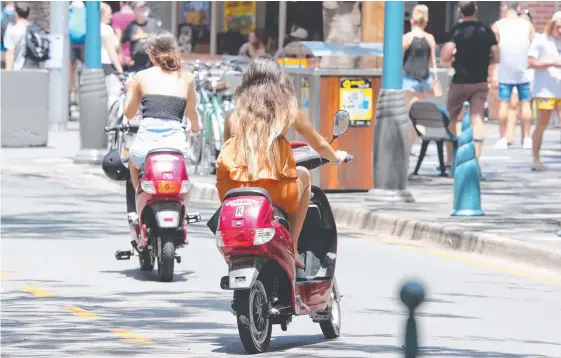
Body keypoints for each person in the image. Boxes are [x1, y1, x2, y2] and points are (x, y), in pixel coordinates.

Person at [215, 55, 348, 269]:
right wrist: (336, 157)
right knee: (304, 174)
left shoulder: (233, 116)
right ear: (280, 81)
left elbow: (228, 153)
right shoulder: (289, 112)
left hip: (234, 191)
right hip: (276, 192)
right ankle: (293, 246)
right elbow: (320, 145)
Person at [123, 30, 200, 211]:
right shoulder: (187, 77)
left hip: (147, 143)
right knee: (180, 175)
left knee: (133, 165)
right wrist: (194, 126)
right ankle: (184, 212)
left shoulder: (141, 77)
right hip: (176, 145)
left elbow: (129, 113)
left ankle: (139, 204)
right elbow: (191, 112)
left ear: (150, 52)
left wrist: (129, 89)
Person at [440, 1, 499, 169]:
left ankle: (450, 160)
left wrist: (451, 58)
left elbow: (445, 55)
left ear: (460, 11)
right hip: (480, 81)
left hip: (460, 81)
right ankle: (476, 158)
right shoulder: (486, 31)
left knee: (451, 117)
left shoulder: (456, 31)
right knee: (477, 117)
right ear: (476, 10)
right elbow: (496, 55)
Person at [491, 2, 535, 150]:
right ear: (517, 8)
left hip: (505, 68)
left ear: (504, 8)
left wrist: (496, 63)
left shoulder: (497, 25)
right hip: (523, 69)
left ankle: (503, 138)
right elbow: (533, 44)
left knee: (503, 103)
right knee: (525, 103)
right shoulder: (527, 25)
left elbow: (494, 48)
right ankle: (527, 138)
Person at [402, 4, 438, 154]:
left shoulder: (407, 38)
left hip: (409, 78)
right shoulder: (430, 38)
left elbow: (399, 57)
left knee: (408, 113)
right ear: (425, 21)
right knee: (418, 112)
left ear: (412, 20)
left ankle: (408, 146)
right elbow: (432, 61)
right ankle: (417, 142)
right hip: (424, 79)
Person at [527, 11, 561, 171]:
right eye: (558, 27)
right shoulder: (541, 40)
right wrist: (552, 63)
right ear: (552, 25)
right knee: (542, 124)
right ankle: (536, 159)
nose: (560, 31)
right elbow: (531, 62)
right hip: (545, 90)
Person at [101, 3, 125, 126]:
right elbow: (111, 51)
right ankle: (111, 123)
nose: (111, 16)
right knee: (114, 95)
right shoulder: (106, 29)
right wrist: (120, 70)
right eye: (109, 13)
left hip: (99, 67)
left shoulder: (93, 27)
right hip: (107, 66)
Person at [121, 1, 161, 72]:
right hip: (136, 66)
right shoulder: (131, 26)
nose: (144, 9)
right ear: (134, 10)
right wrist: (124, 57)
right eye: (141, 7)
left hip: (153, 64)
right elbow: (120, 43)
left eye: (145, 6)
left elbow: (161, 40)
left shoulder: (154, 23)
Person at [3, 3, 39, 71]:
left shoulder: (12, 30)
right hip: (35, 70)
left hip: (18, 69)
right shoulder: (35, 30)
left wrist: (8, 72)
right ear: (28, 14)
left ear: (15, 14)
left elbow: (10, 52)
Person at [112, 1, 135, 70]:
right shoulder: (136, 15)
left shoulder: (116, 16)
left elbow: (118, 36)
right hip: (135, 53)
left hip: (123, 54)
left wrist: (120, 54)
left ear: (121, 2)